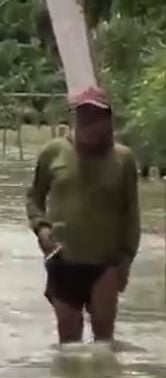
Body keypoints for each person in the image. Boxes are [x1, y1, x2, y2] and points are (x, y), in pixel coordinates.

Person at [26, 86, 140, 345]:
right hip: (63, 260)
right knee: (69, 347)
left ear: (108, 120)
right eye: (84, 115)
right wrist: (41, 229)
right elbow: (33, 197)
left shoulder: (123, 159)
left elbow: (131, 215)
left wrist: (125, 260)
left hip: (106, 264)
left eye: (97, 116)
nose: (90, 121)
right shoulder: (53, 152)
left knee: (103, 344)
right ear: (76, 118)